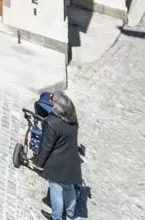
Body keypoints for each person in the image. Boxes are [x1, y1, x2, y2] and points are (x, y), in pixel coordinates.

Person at [34, 92, 83, 220]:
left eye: (52, 100)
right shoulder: (73, 120)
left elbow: (46, 147)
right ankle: (70, 214)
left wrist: (38, 164)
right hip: (71, 161)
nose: (50, 101)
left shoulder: (51, 122)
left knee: (56, 190)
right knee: (69, 187)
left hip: (56, 164)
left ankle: (57, 217)